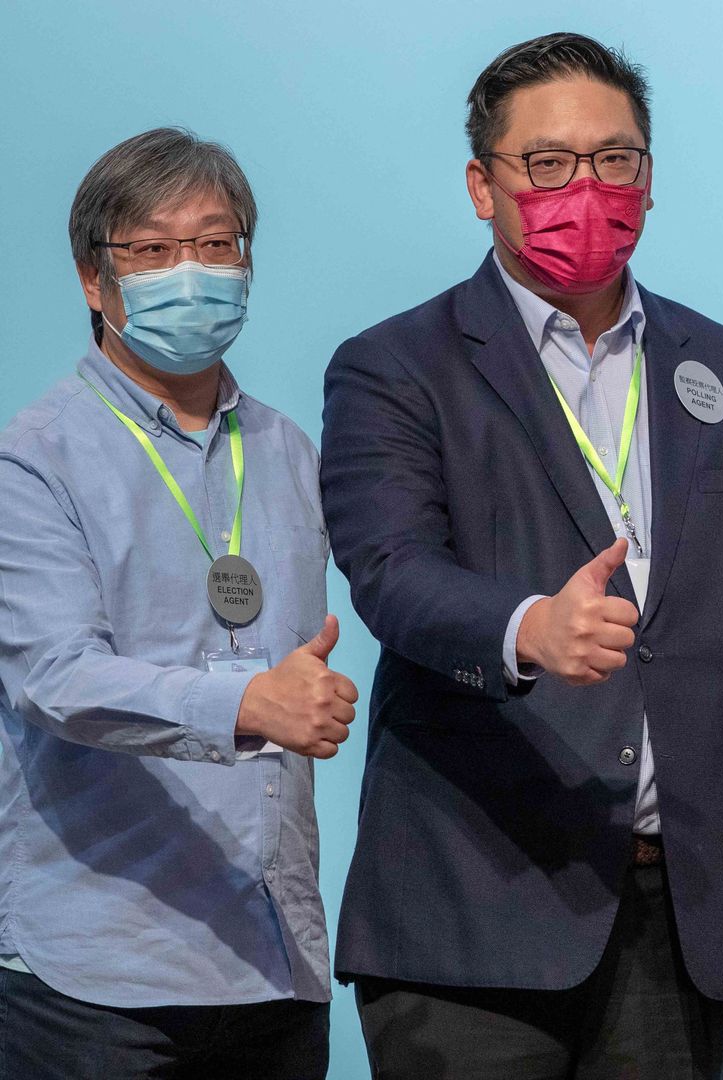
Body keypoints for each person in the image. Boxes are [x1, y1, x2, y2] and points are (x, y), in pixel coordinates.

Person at [319, 32, 723, 1079]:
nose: (586, 187)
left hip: (680, 922)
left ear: (651, 180)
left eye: (614, 159)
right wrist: (525, 628)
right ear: (482, 186)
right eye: (547, 163)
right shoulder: (397, 365)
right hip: (470, 916)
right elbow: (391, 573)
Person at [0, 128, 354, 1078]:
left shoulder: (285, 450)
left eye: (215, 243)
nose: (189, 272)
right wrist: (246, 706)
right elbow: (54, 679)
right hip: (98, 975)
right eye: (152, 251)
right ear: (92, 281)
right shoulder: (32, 458)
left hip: (273, 960)